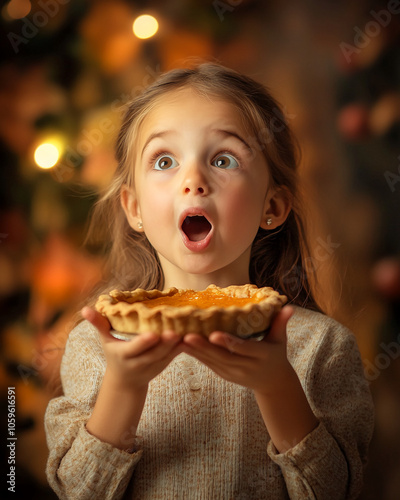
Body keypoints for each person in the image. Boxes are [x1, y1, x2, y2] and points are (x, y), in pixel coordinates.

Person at [45, 63, 374, 499]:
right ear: (134, 207)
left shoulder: (321, 347)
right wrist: (122, 389)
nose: (193, 182)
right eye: (164, 161)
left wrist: (278, 386)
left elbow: (339, 491)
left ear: (271, 206)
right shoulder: (96, 345)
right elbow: (76, 491)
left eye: (223, 159)